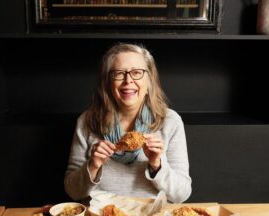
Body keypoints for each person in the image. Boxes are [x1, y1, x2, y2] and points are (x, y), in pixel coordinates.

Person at [64, 43, 191, 203]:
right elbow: (73, 192)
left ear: (149, 81)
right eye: (118, 73)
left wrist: (157, 165)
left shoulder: (170, 122)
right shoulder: (87, 121)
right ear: (108, 82)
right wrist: (93, 166)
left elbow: (181, 195)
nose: (128, 80)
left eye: (137, 72)